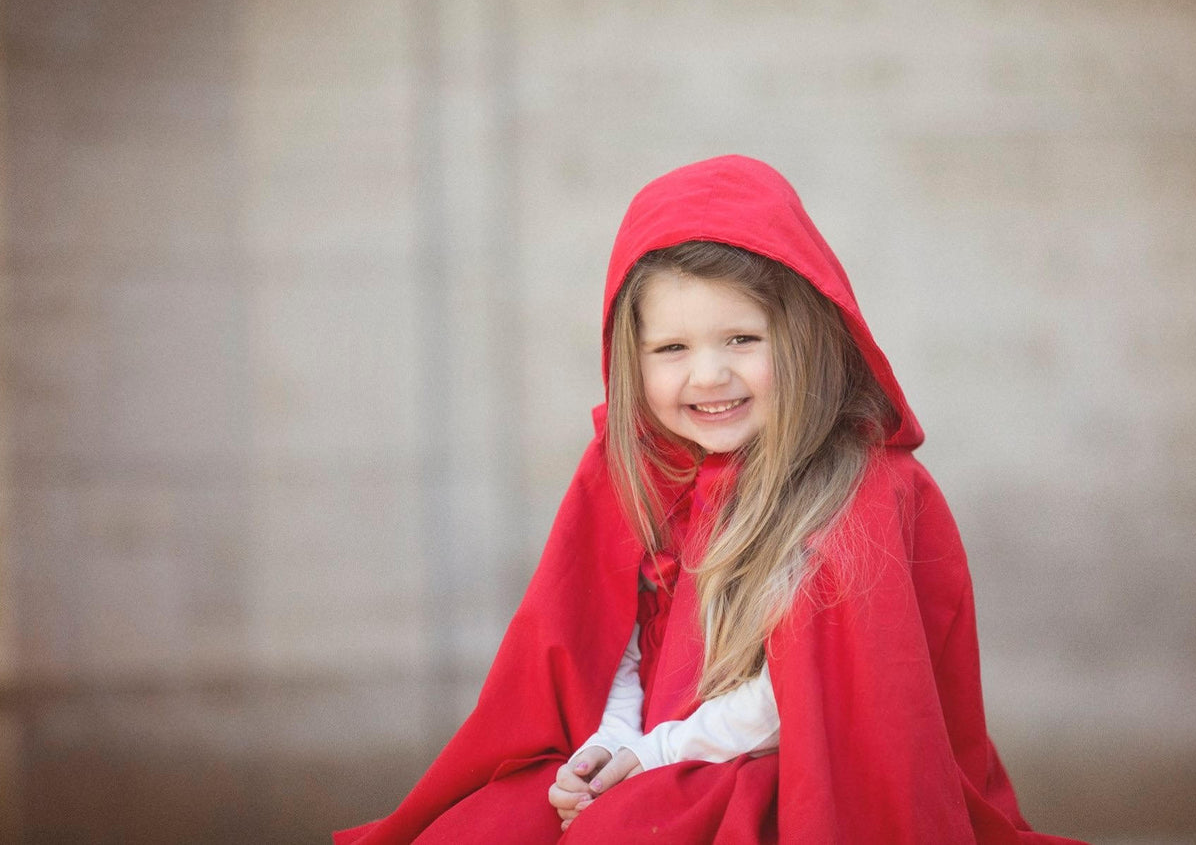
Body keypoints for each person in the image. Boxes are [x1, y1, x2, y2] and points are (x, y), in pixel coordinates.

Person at [334, 155, 1086, 844]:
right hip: (651, 748)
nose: (707, 376)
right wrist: (607, 744)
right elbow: (613, 641)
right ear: (630, 358)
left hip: (785, 772)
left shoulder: (862, 487)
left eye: (740, 339)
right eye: (672, 349)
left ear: (803, 335)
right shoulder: (636, 468)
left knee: (619, 834)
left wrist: (651, 753)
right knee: (485, 827)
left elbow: (795, 701)